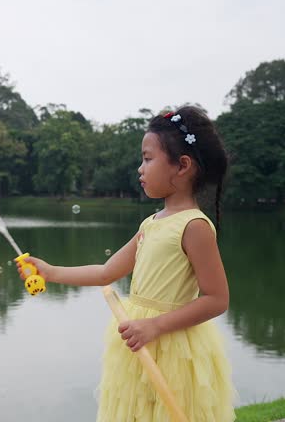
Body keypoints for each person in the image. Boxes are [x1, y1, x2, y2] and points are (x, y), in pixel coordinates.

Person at [18, 106, 236, 421]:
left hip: (172, 343)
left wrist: (156, 325)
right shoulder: (151, 223)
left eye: (148, 159)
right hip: (136, 336)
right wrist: (51, 272)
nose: (140, 168)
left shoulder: (194, 225)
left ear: (182, 166)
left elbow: (217, 299)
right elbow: (107, 272)